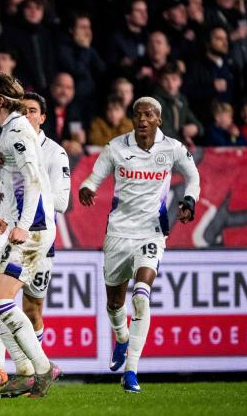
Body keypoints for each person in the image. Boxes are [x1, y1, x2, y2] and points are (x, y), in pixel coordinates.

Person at [78, 97, 200, 393]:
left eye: (148, 114)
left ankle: (131, 371)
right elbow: (94, 177)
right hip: (118, 233)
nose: (142, 119)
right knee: (115, 303)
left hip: (151, 232)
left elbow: (193, 176)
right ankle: (121, 338)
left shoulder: (171, 148)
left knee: (142, 297)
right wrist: (87, 188)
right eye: (137, 114)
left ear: (159, 119)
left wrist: (189, 200)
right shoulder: (116, 147)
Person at [0, 91, 71, 395]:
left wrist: (21, 224)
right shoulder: (10, 135)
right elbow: (13, 186)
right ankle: (27, 369)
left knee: (18, 304)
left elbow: (45, 190)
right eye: (26, 110)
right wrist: (4, 214)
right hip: (23, 228)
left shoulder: (31, 140)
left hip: (34, 232)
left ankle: (38, 369)